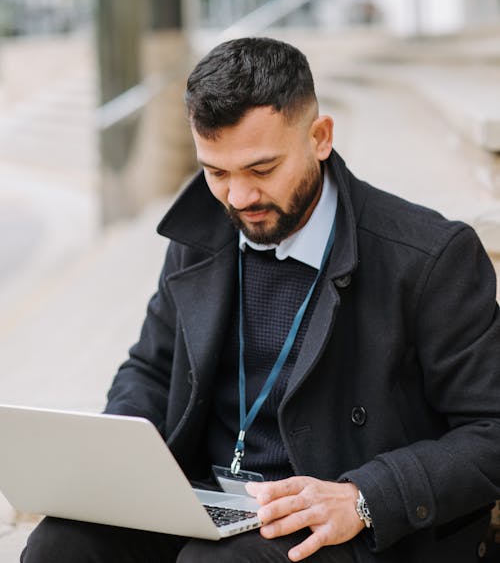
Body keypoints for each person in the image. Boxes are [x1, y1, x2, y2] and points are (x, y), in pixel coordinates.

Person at [22, 37, 500, 563]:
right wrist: (120, 459)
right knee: (58, 545)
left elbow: (491, 431)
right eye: (216, 172)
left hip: (344, 525)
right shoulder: (200, 236)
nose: (239, 198)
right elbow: (151, 370)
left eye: (262, 169)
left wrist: (365, 498)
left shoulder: (428, 257)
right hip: (212, 502)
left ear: (320, 137)